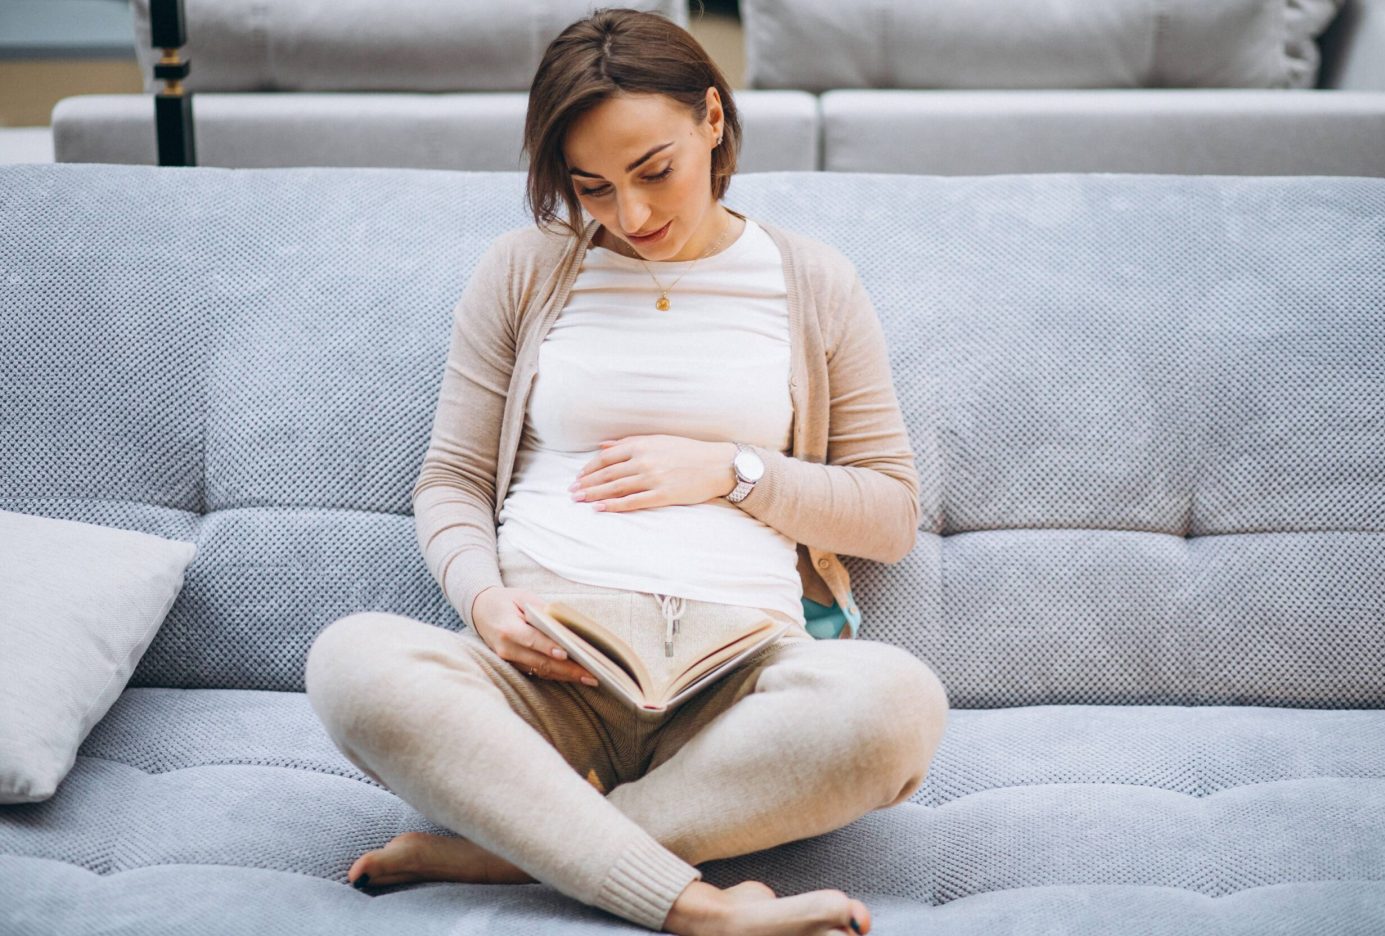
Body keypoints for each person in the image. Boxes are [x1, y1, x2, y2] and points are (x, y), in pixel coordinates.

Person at [304, 8, 949, 935]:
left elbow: (889, 515)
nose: (633, 215)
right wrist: (485, 602)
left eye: (656, 172)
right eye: (592, 188)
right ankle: (696, 908)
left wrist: (730, 471)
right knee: (352, 660)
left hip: (740, 681)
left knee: (899, 704)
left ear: (713, 121)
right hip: (549, 666)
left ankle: (522, 846)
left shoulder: (813, 282)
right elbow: (450, 480)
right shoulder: (524, 271)